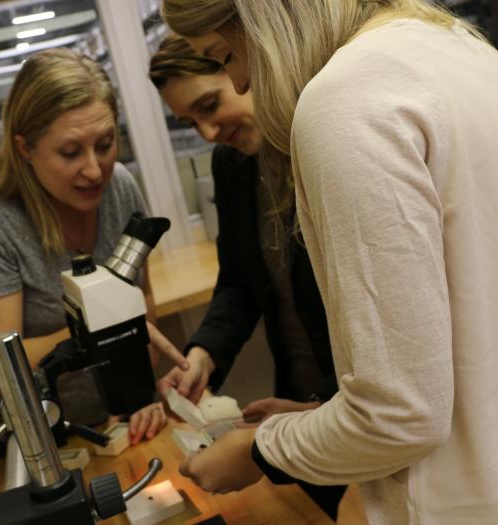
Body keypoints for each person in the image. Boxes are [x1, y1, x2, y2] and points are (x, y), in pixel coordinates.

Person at [161, 0, 498, 522]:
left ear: (260, 19)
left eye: (226, 55)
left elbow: (400, 415)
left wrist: (260, 449)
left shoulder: (344, 101)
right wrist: (323, 416)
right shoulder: (459, 49)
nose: (243, 81)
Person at [0, 49, 185, 455]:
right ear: (25, 148)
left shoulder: (119, 187)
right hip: (19, 440)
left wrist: (134, 399)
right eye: (70, 153)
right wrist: (108, 328)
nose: (94, 170)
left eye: (106, 144)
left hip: (110, 421)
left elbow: (141, 307)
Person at [149, 34, 346, 521]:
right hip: (296, 397)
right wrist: (203, 355)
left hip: (356, 404)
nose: (208, 132)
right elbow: (239, 280)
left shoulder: (332, 145)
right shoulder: (234, 163)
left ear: (244, 67)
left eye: (211, 105)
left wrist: (321, 408)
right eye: (189, 123)